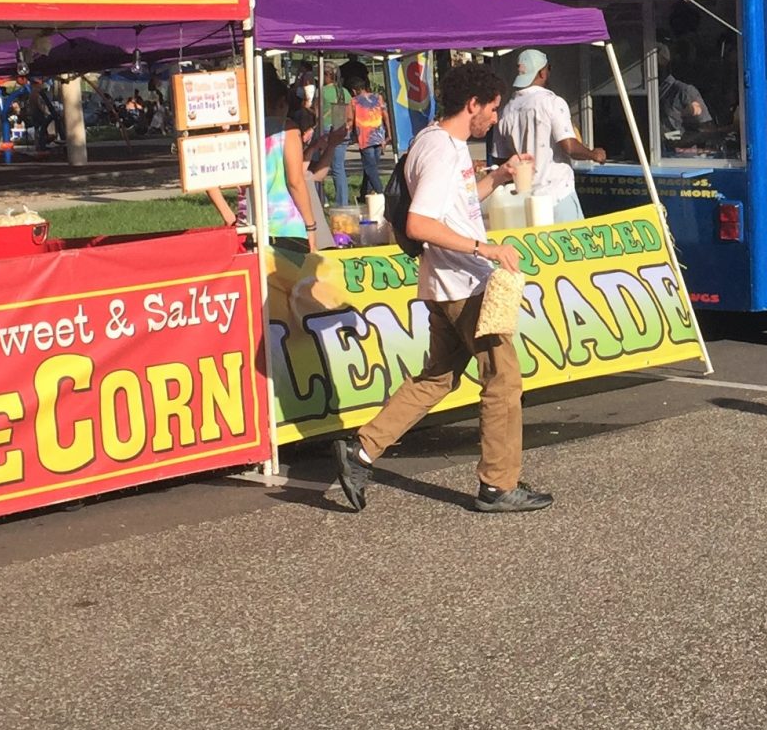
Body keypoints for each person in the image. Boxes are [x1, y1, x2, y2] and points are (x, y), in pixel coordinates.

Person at [330, 61, 548, 513]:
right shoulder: (446, 152)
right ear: (473, 105)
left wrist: (499, 177)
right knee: (503, 380)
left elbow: (457, 206)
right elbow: (420, 222)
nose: (495, 118)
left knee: (439, 377)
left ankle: (362, 450)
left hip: (442, 283)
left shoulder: (430, 140)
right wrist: (483, 249)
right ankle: (498, 484)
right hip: (464, 283)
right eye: (492, 108)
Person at [208, 68, 318, 244]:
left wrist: (229, 215)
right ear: (282, 102)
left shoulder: (239, 131)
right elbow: (295, 182)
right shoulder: (287, 129)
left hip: (248, 225)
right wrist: (311, 226)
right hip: (285, 227)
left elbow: (208, 176)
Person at [497, 48, 606, 222]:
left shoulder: (506, 110)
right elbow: (569, 146)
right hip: (557, 195)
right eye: (549, 68)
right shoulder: (552, 102)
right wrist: (594, 154)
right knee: (573, 247)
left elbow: (502, 160)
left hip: (525, 201)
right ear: (542, 72)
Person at [333, 61, 389, 207]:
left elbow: (350, 120)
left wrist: (345, 133)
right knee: (370, 167)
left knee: (370, 168)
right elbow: (385, 115)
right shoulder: (378, 97)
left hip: (365, 139)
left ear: (354, 90)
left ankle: (381, 193)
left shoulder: (354, 101)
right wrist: (388, 134)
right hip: (379, 136)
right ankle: (366, 195)